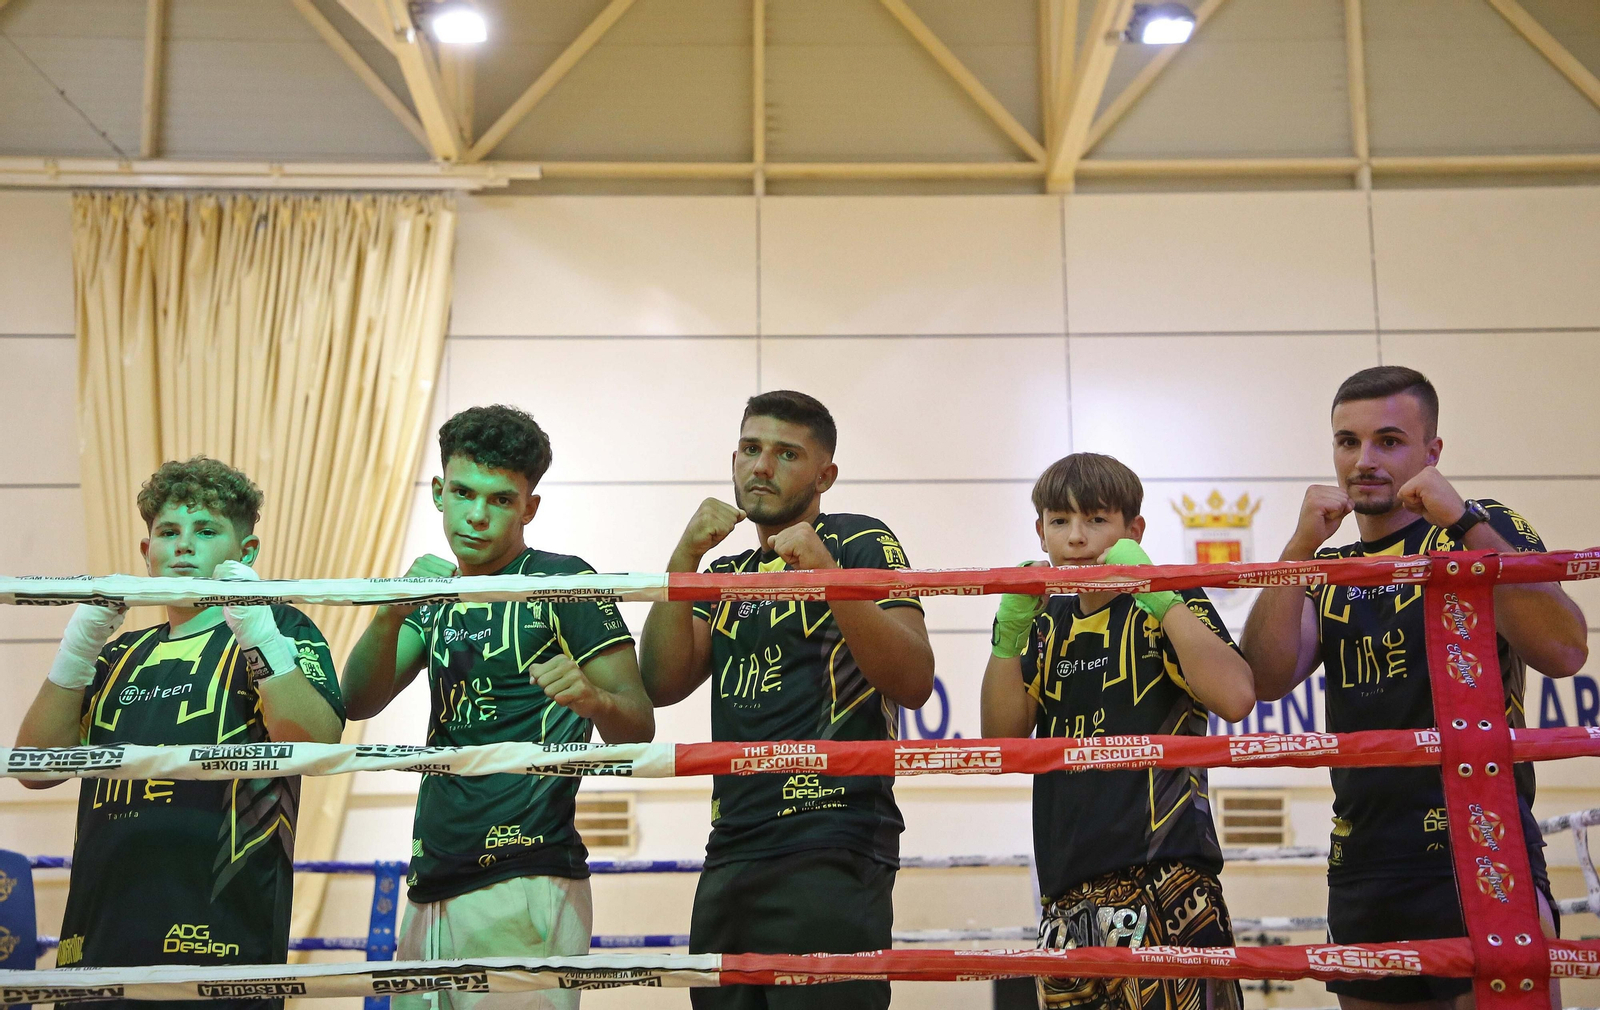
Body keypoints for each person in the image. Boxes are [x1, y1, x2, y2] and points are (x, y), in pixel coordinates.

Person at [1242, 365, 1588, 1010]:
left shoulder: (1487, 526)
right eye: (1348, 442)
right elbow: (1264, 680)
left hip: (1482, 837)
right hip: (1365, 854)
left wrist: (1462, 522)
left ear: (1433, 452)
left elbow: (1564, 650)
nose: (1364, 460)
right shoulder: (1329, 568)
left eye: (1389, 441)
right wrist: (1296, 549)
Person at [342, 404, 654, 1010]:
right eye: (463, 492)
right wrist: (390, 612)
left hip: (527, 871)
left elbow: (639, 724)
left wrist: (592, 699)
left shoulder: (564, 582)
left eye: (501, 499)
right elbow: (358, 700)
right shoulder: (435, 593)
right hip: (432, 869)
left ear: (529, 508)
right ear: (438, 492)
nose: (477, 515)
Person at [639, 389, 935, 1010]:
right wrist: (683, 560)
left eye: (785, 453)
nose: (761, 467)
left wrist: (830, 579)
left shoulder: (859, 540)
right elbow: (661, 683)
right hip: (732, 842)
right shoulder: (727, 572)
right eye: (750, 448)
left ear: (825, 474)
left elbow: (912, 679)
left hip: (832, 836)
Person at [15, 456, 346, 1010]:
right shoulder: (117, 652)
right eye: (168, 532)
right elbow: (35, 768)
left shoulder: (281, 628)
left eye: (206, 530)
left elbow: (316, 741)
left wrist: (258, 633)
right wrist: (76, 649)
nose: (184, 546)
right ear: (148, 554)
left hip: (223, 938)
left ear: (246, 553)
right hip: (98, 939)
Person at [981, 452, 1253, 1010]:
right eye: (1060, 521)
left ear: (1135, 530)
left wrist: (1159, 591)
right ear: (1040, 532)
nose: (1076, 539)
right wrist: (1007, 637)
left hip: (1165, 881)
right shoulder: (1044, 623)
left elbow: (1237, 696)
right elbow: (1000, 743)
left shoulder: (1168, 604)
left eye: (1096, 520)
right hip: (1064, 896)